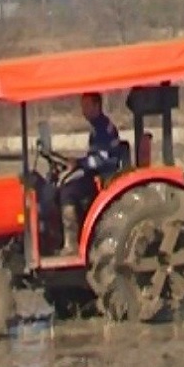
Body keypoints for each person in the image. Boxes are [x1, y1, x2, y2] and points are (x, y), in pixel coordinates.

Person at [57, 92, 125, 252]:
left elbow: (101, 160)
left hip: (105, 175)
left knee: (67, 191)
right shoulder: (98, 127)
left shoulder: (103, 129)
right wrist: (77, 163)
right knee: (68, 183)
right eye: (82, 106)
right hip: (99, 173)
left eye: (86, 106)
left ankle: (71, 244)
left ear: (97, 106)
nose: (83, 110)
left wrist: (79, 163)